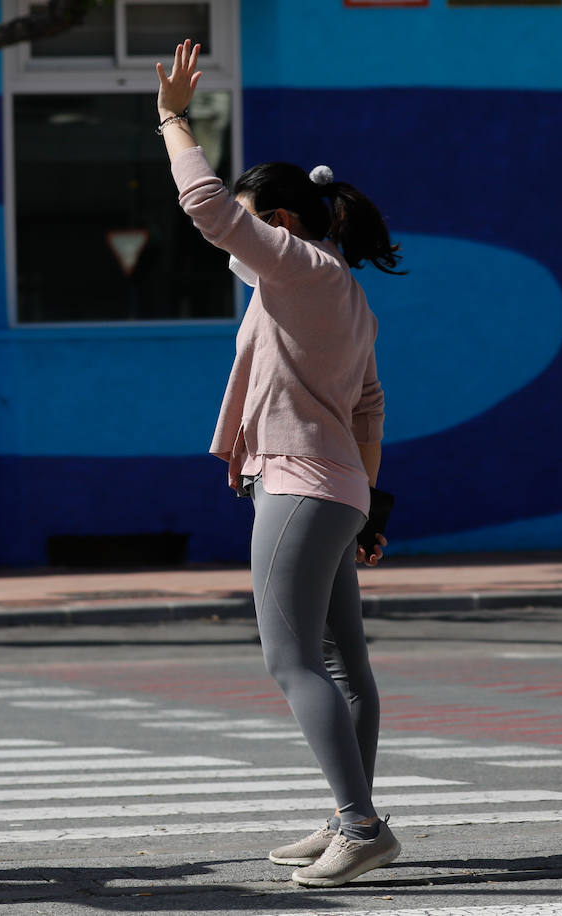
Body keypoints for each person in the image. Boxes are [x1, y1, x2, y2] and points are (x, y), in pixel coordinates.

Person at [156, 40, 403, 887]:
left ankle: (361, 824)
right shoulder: (339, 285)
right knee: (342, 663)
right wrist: (369, 502)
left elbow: (208, 209)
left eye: (258, 222)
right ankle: (350, 814)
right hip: (334, 487)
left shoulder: (296, 269)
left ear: (283, 225)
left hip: (299, 484)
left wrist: (172, 119)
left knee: (290, 659)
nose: (243, 238)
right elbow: (368, 406)